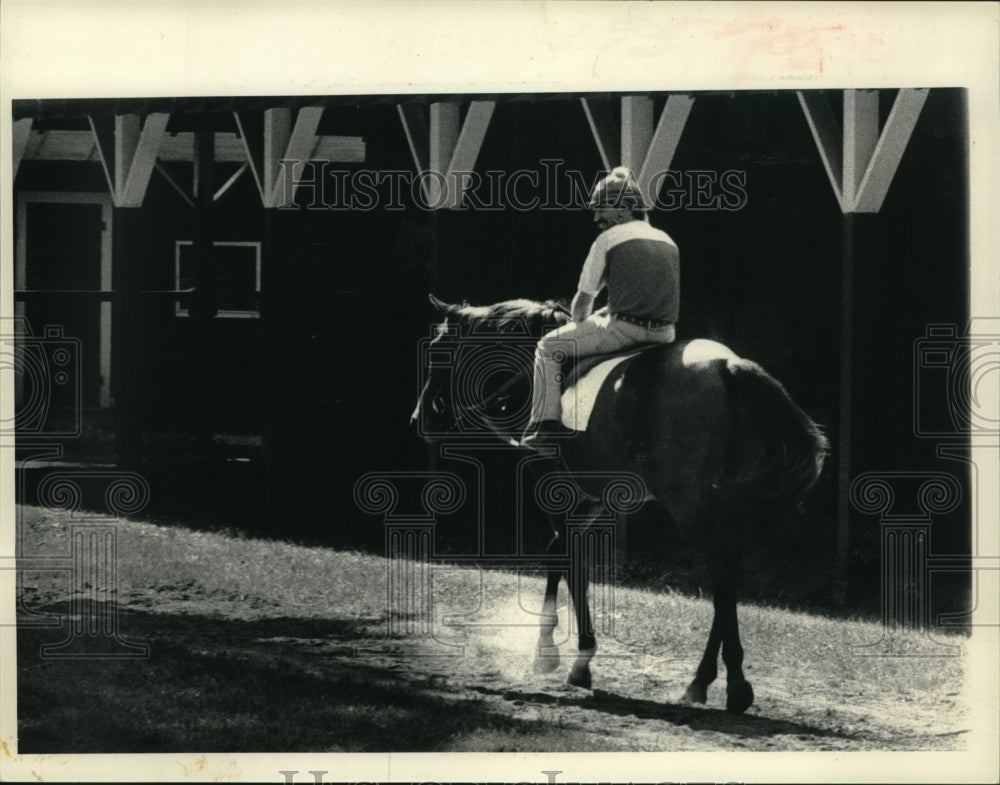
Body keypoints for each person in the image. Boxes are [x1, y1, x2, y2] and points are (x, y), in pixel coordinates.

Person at [521, 166, 679, 448]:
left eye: (601, 209)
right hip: (665, 335)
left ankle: (544, 426)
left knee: (547, 347)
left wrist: (582, 320)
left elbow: (582, 305)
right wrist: (611, 309)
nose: (596, 218)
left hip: (624, 332)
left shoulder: (607, 240)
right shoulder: (668, 240)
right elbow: (649, 295)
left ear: (623, 208)